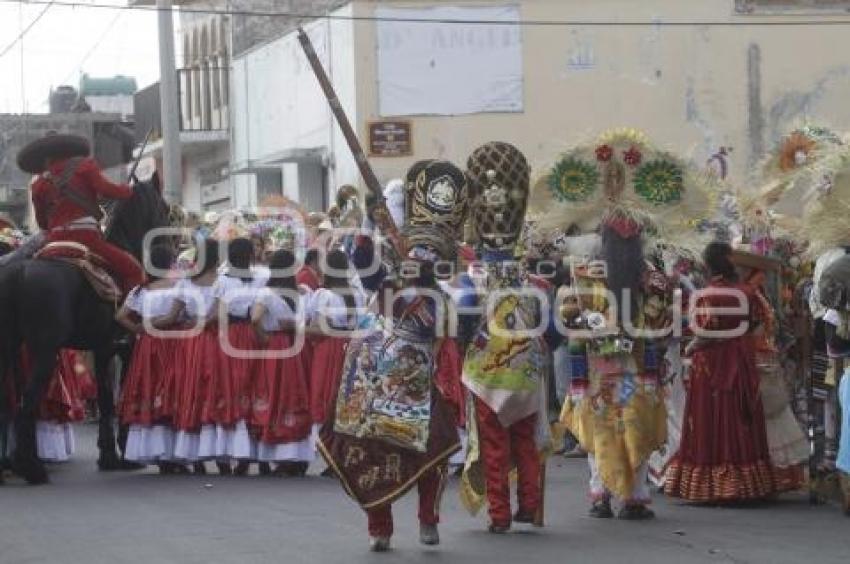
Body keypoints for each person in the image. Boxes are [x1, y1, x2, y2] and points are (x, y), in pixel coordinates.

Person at [318, 160, 468, 552]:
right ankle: (379, 526)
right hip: (367, 384)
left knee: (434, 450)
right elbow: (363, 260)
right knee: (365, 455)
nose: (416, 259)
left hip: (414, 385)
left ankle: (428, 519)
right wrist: (371, 223)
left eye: (426, 257)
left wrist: (417, 283)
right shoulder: (379, 283)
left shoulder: (438, 299)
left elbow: (440, 327)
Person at [461, 142, 548, 533]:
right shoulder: (536, 283)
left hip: (488, 377)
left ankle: (501, 515)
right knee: (526, 442)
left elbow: (461, 324)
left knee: (495, 446)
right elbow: (556, 332)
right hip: (526, 373)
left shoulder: (472, 285)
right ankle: (529, 504)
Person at [560, 218, 670, 520]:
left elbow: (658, 325)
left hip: (631, 370)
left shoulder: (650, 279)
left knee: (631, 433)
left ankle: (625, 497)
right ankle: (610, 497)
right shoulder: (585, 273)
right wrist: (592, 324)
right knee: (603, 436)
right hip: (606, 371)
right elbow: (569, 318)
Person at [665, 242, 788, 503]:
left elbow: (704, 332)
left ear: (709, 265)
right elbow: (764, 322)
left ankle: (713, 487)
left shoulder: (707, 294)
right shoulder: (748, 292)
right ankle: (749, 485)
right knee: (740, 416)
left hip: (711, 364)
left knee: (711, 418)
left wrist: (690, 347)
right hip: (741, 359)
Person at [18, 132, 144, 294]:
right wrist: (128, 190)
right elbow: (106, 190)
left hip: (54, 240)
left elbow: (42, 222)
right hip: (86, 237)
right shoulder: (85, 165)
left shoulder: (39, 183)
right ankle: (130, 315)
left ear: (46, 158)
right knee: (133, 270)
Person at [116, 245, 185, 472]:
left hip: (148, 345)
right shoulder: (179, 287)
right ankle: (175, 453)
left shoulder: (140, 290)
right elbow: (174, 317)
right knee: (173, 391)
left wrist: (138, 328)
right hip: (174, 343)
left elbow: (120, 316)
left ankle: (156, 451)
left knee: (149, 388)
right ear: (170, 264)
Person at [250, 249, 313, 477]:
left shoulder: (266, 293)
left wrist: (263, 335)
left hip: (275, 345)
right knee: (295, 394)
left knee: (272, 394)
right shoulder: (303, 292)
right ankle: (296, 455)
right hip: (297, 347)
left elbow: (255, 318)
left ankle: (269, 453)